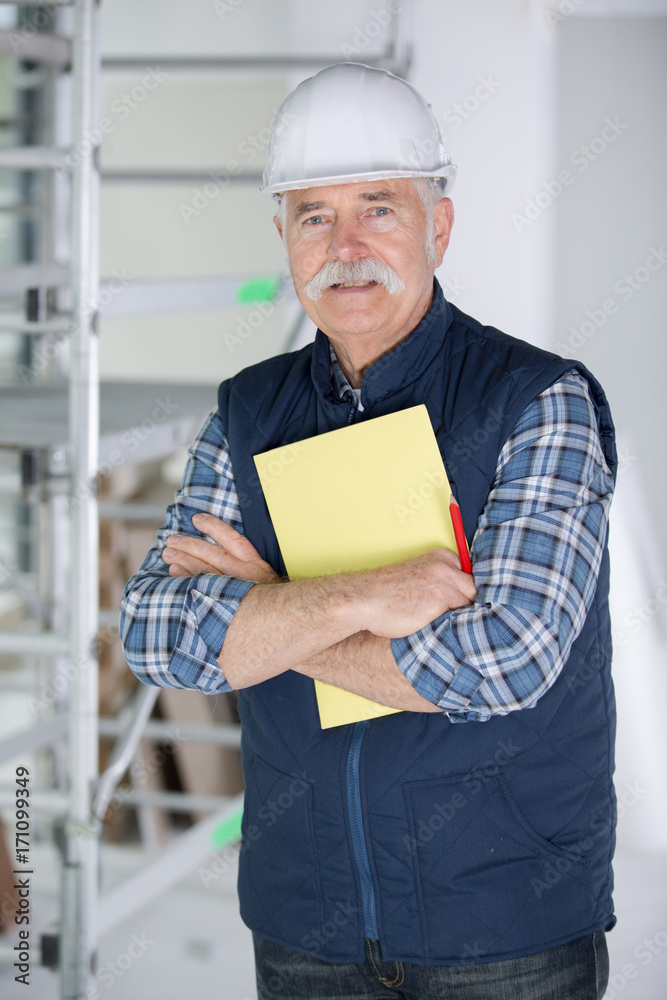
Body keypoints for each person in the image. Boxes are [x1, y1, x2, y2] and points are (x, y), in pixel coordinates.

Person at [120, 63, 616, 1000]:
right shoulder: (246, 413)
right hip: (306, 921)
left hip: (504, 923)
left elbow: (501, 661)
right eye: (313, 216)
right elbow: (156, 637)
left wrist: (264, 611)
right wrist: (361, 599)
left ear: (440, 223)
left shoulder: (536, 403)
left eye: (379, 208)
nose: (345, 246)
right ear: (283, 235)